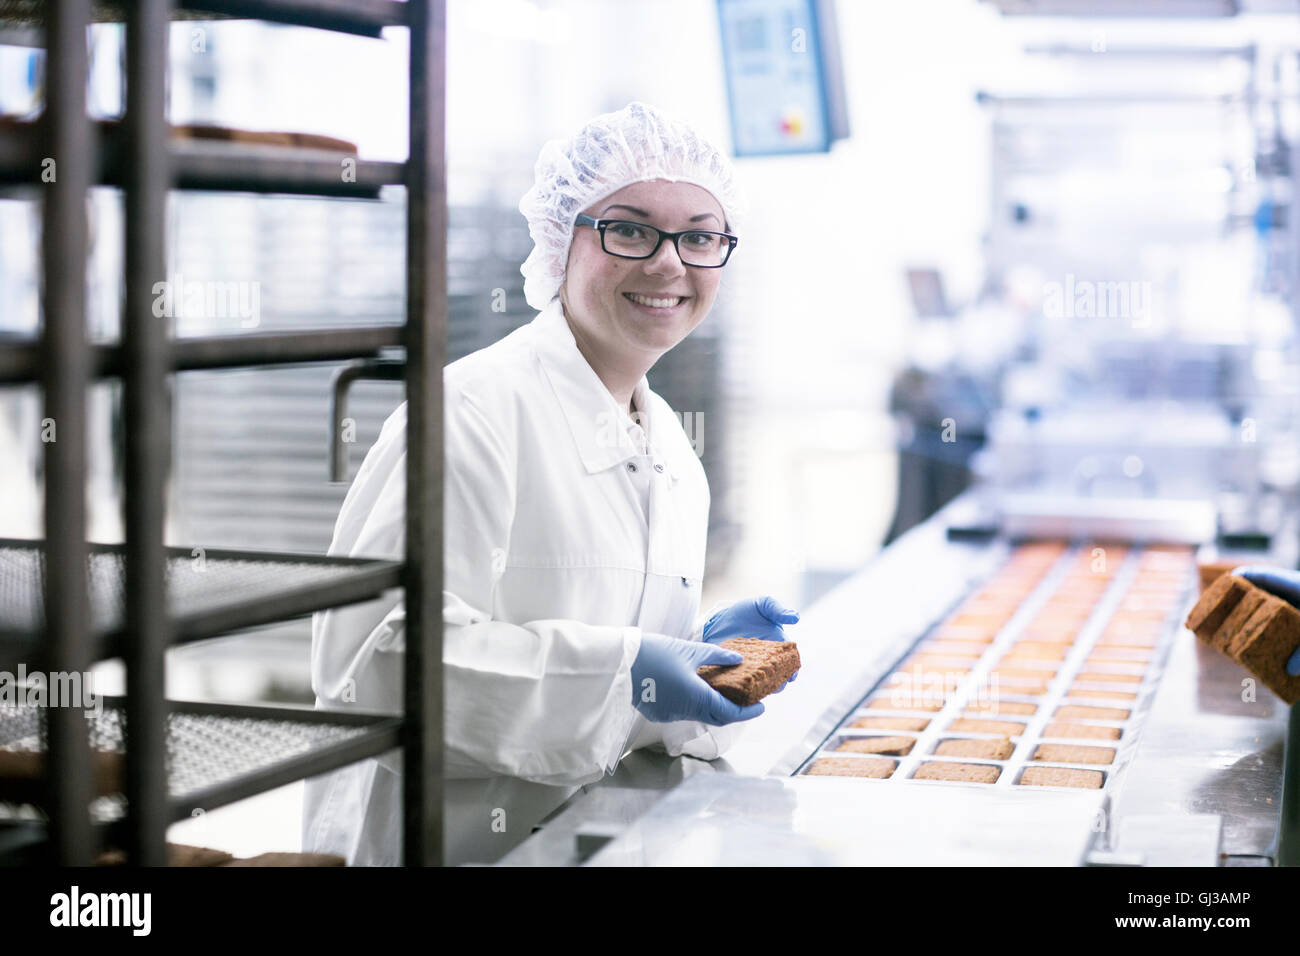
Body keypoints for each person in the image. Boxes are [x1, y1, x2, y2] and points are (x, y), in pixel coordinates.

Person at [302, 102, 800, 866]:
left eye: (701, 236)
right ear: (557, 242)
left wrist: (693, 662)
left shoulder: (669, 446)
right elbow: (376, 665)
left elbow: (615, 682)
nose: (671, 263)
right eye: (630, 229)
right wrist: (623, 673)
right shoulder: (472, 413)